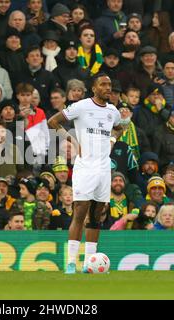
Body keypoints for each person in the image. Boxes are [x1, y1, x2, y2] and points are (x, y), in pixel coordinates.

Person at [47, 73, 124, 274]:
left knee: (97, 216)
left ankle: (89, 263)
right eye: (104, 85)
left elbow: (119, 129)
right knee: (80, 212)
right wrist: (72, 139)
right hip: (85, 168)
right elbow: (53, 121)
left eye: (110, 85)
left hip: (104, 168)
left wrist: (112, 141)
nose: (108, 88)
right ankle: (71, 262)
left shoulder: (112, 111)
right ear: (94, 88)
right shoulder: (81, 106)